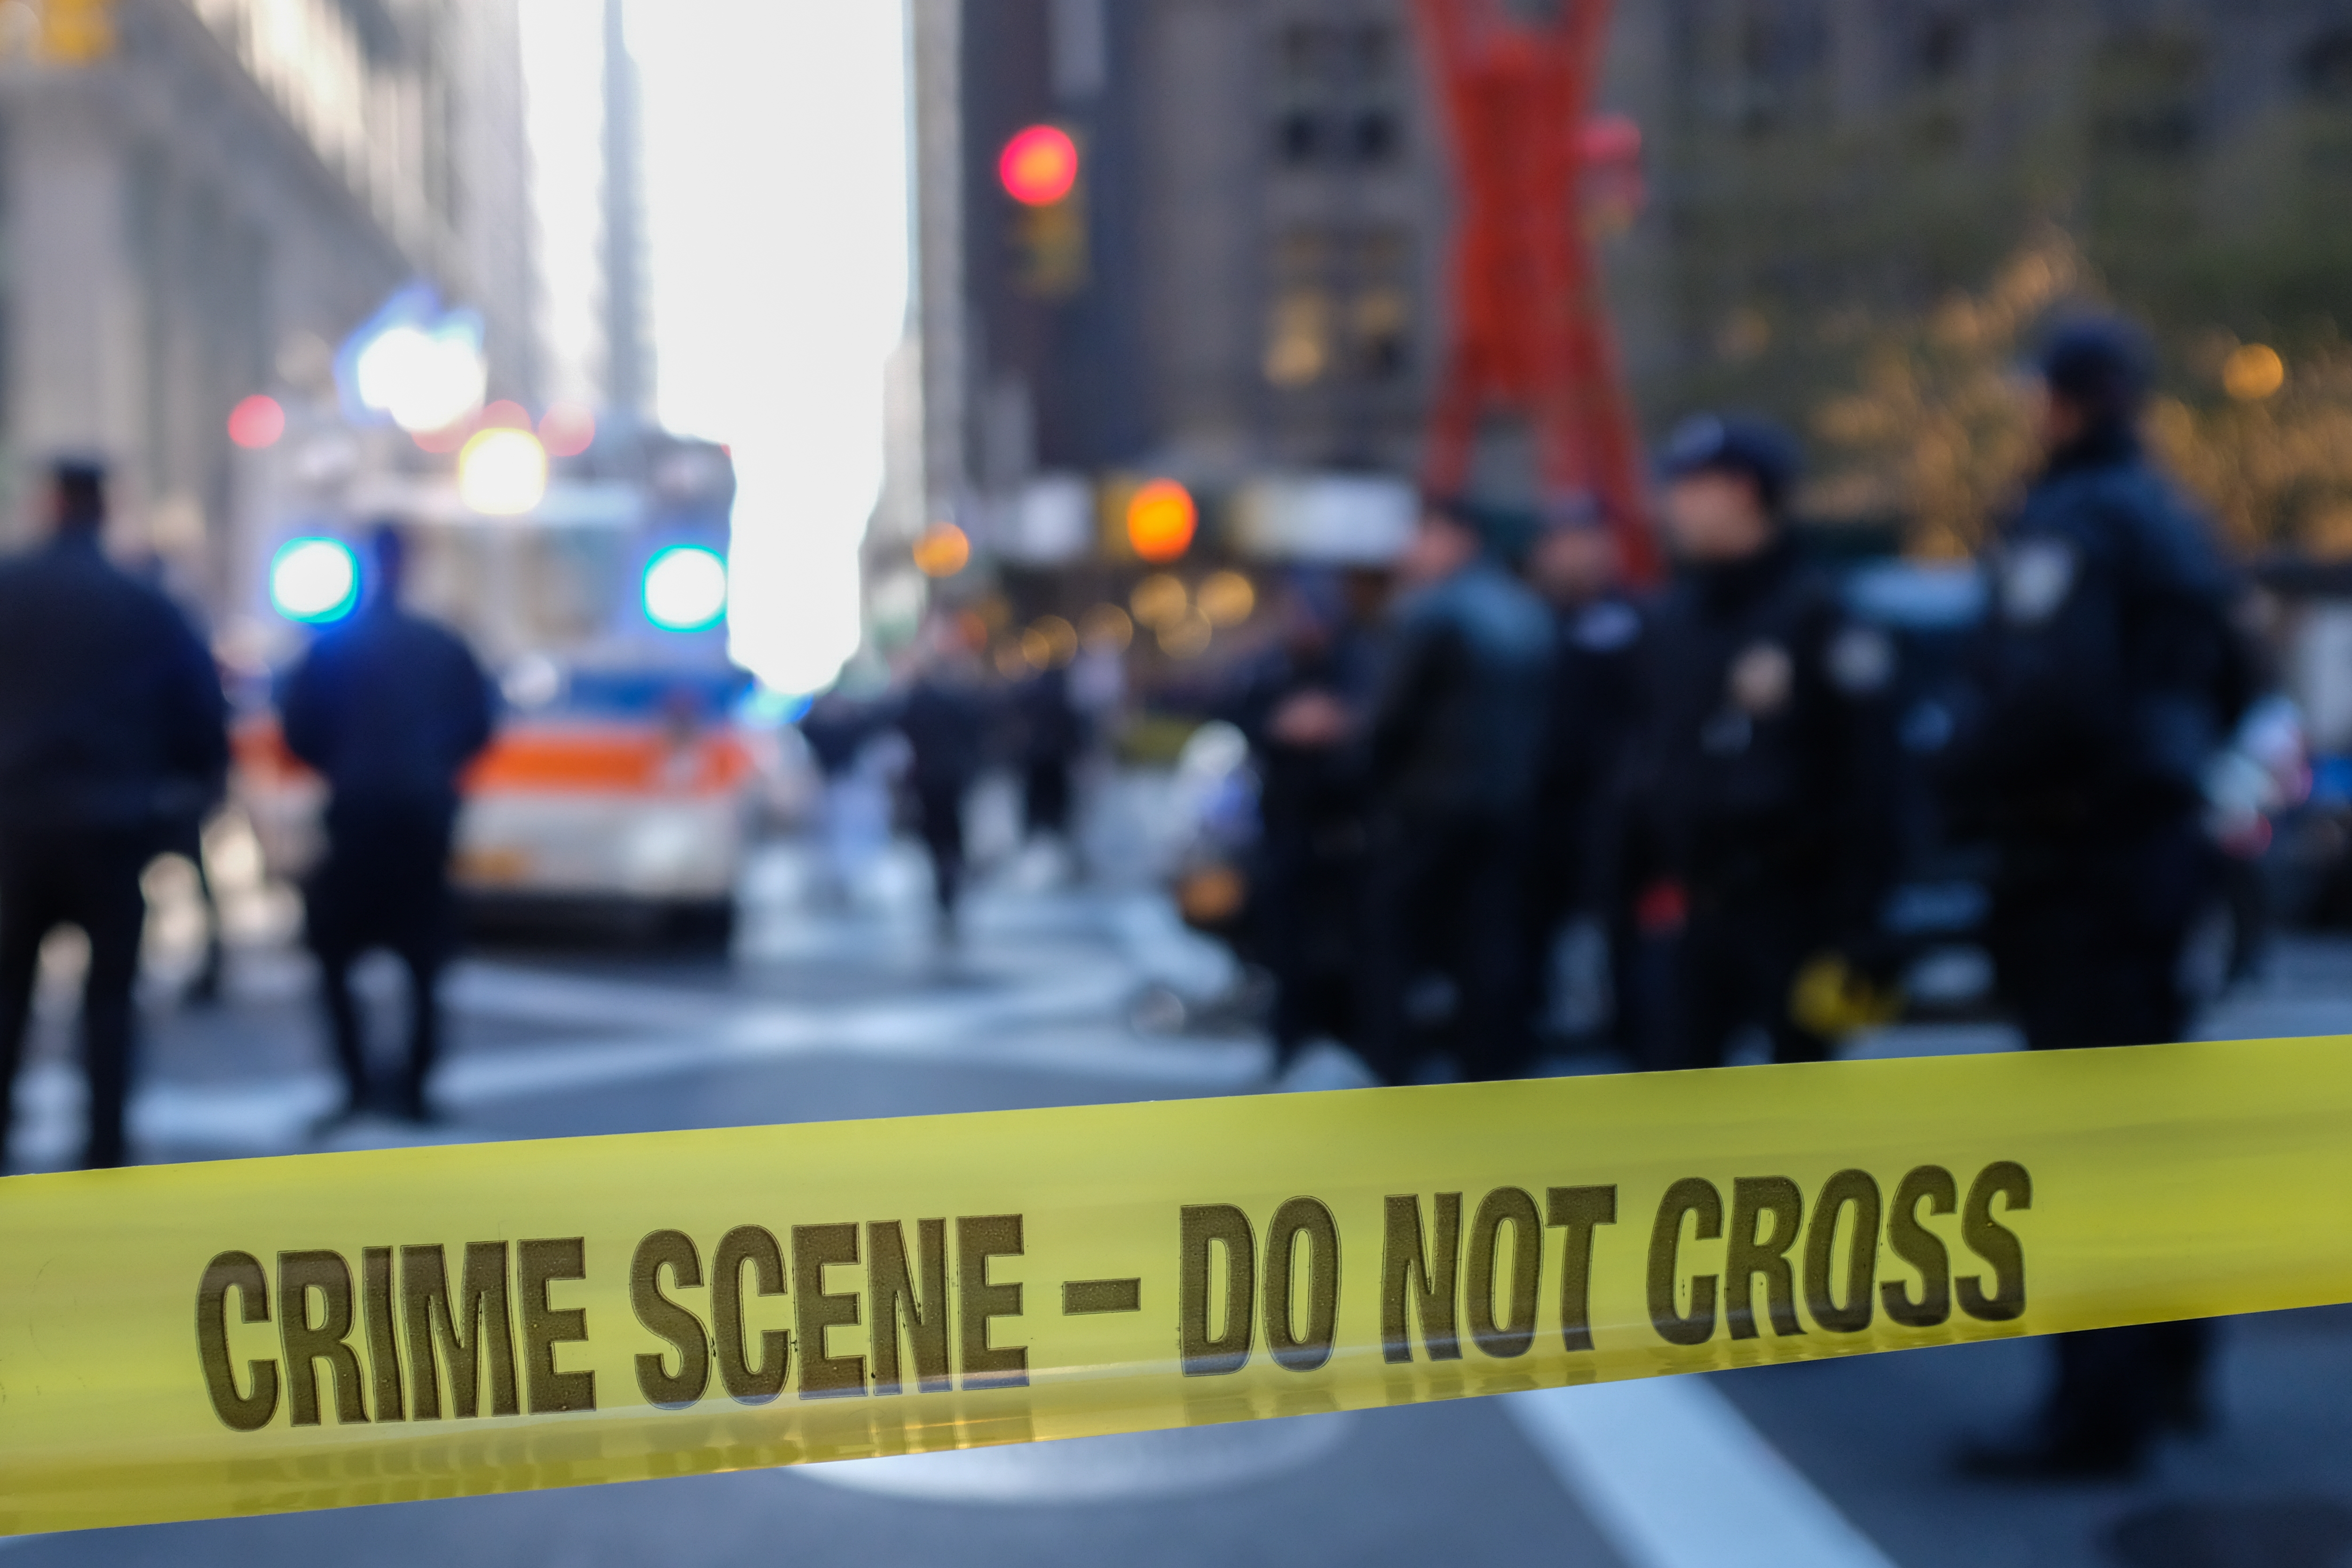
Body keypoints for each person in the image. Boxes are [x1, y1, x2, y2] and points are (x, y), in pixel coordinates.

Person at [1942, 317, 2256, 1481]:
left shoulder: (2075, 520)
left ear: (2063, 402)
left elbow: (2044, 694)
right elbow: (2229, 680)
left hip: (2079, 863)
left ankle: (2093, 1412)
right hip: (2149, 852)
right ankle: (2166, 1372)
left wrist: (1957, 771)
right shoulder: (2169, 515)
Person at [1619, 416, 1901, 1072]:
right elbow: (1647, 763)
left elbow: (1872, 776)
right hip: (1692, 908)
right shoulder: (1674, 621)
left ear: (1743, 491)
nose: (1673, 505)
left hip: (1796, 907)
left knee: (1796, 1114)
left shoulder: (1819, 614)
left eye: (1690, 486)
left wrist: (1862, 924)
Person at [0, 458, 228, 1170]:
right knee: (109, 1000)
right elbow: (202, 716)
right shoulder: (144, 602)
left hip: (16, 825)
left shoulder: (11, 590)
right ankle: (104, 1150)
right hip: (112, 828)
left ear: (49, 504)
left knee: (6, 992)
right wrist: (182, 811)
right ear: (106, 509)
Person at [281, 526, 495, 1126]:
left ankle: (355, 1081)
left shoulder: (331, 647)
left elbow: (298, 729)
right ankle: (417, 1086)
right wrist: (431, 771)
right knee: (425, 960)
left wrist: (348, 770)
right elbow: (479, 726)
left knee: (333, 954)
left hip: (356, 819)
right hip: (421, 819)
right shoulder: (444, 643)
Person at [1358, 500, 1555, 1084]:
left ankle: (1392, 1071)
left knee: (1391, 944)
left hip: (1430, 806)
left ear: (1455, 538)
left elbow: (1389, 720)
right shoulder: (1524, 610)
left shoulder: (1433, 613)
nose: (1408, 551)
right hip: (1508, 806)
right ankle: (1488, 1071)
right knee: (1489, 949)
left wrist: (1363, 779)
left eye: (1420, 535)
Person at [1230, 571, 1379, 1071]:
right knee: (1284, 947)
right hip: (1283, 831)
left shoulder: (1359, 662)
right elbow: (1239, 713)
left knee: (1346, 951)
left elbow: (1376, 724)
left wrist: (1336, 724)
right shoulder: (1270, 668)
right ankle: (1289, 1044)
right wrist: (1281, 724)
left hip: (1346, 835)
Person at [1521, 514, 1650, 1056]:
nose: (1572, 556)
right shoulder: (1524, 622)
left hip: (1612, 809)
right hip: (1533, 809)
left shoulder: (1635, 621)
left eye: (1584, 542)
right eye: (1560, 542)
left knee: (1620, 935)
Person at [895, 624, 992, 940]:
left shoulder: (917, 700)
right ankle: (951, 881)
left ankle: (945, 884)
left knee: (937, 838)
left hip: (928, 778)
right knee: (951, 835)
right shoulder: (960, 700)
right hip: (952, 778)